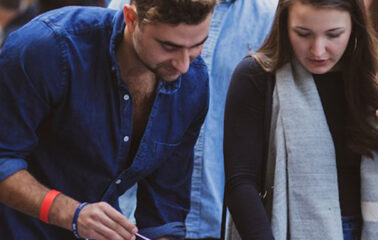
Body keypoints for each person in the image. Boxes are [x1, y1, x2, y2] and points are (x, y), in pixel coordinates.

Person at [0, 0, 216, 239]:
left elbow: (165, 209)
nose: (183, 65)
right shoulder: (49, 47)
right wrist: (71, 213)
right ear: (131, 19)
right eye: (168, 46)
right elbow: (2, 158)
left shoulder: (193, 83)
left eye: (198, 45)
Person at [224, 0, 378, 239]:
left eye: (334, 35)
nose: (318, 50)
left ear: (355, 25)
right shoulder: (257, 76)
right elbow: (241, 182)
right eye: (303, 34)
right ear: (284, 24)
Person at [108, 0, 279, 239]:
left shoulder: (268, 16)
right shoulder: (132, 6)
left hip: (220, 216)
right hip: (124, 220)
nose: (184, 64)